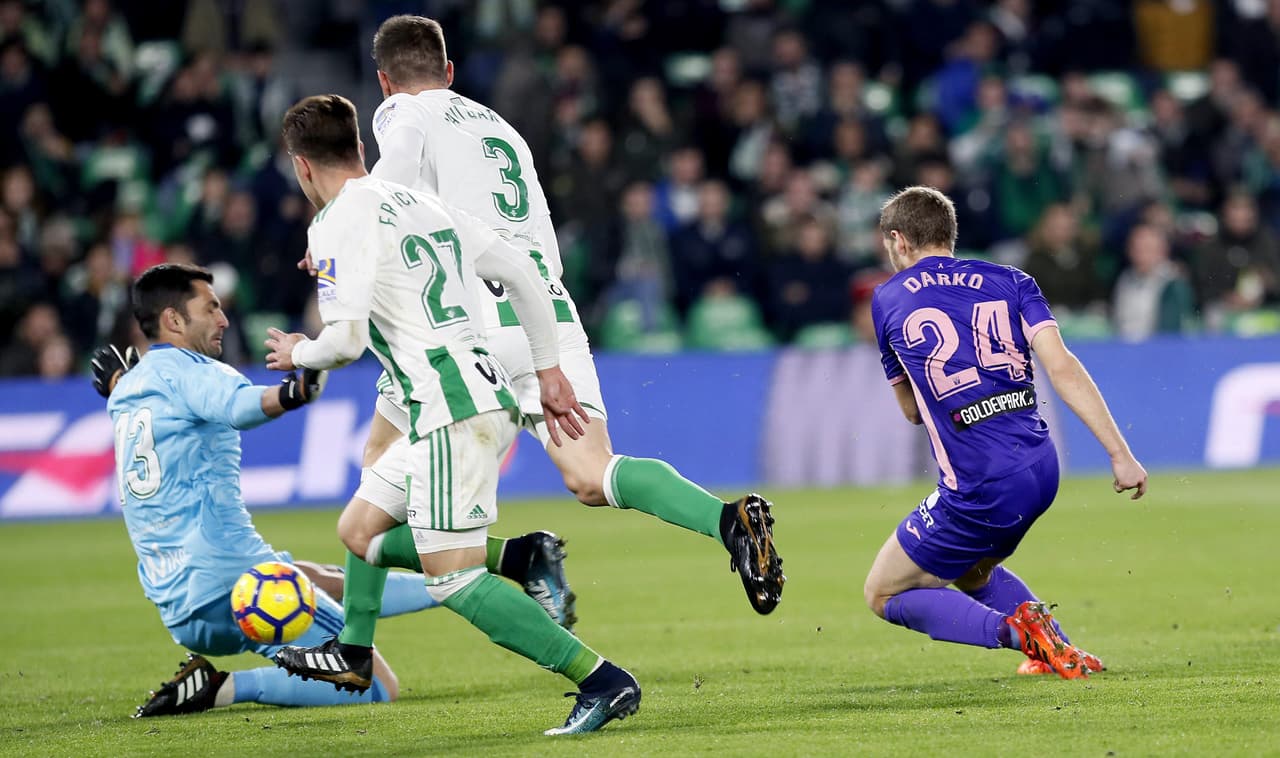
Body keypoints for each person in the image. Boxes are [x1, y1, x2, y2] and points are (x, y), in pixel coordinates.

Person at [290, 13, 781, 677]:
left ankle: (359, 644)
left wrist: (339, 237)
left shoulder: (401, 114)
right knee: (591, 473)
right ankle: (727, 521)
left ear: (384, 82)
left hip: (468, 324)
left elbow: (391, 186)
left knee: (375, 480)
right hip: (545, 315)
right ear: (453, 71)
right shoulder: (500, 129)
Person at [265, 95, 639, 736]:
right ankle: (355, 654)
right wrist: (548, 369)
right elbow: (522, 270)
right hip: (473, 392)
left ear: (301, 167)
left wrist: (301, 349)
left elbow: (346, 341)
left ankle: (602, 681)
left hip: (449, 410)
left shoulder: (331, 225)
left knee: (453, 580)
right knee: (360, 526)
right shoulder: (417, 203)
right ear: (359, 147)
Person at [95, 263, 414, 716]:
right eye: (211, 307)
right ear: (173, 320)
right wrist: (292, 393)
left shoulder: (126, 393)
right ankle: (222, 688)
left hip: (180, 609)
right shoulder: (196, 371)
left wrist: (114, 383)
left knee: (313, 577)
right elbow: (242, 404)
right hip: (237, 584)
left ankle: (451, 585)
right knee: (371, 683)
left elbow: (159, 404)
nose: (224, 319)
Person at [861, 186, 1148, 679]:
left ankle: (1023, 637)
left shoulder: (887, 298)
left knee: (882, 592)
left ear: (898, 240)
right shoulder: (1011, 279)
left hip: (979, 483)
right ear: (949, 235)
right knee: (973, 570)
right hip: (1040, 468)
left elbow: (911, 410)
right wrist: (1119, 454)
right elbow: (1062, 367)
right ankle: (1063, 651)